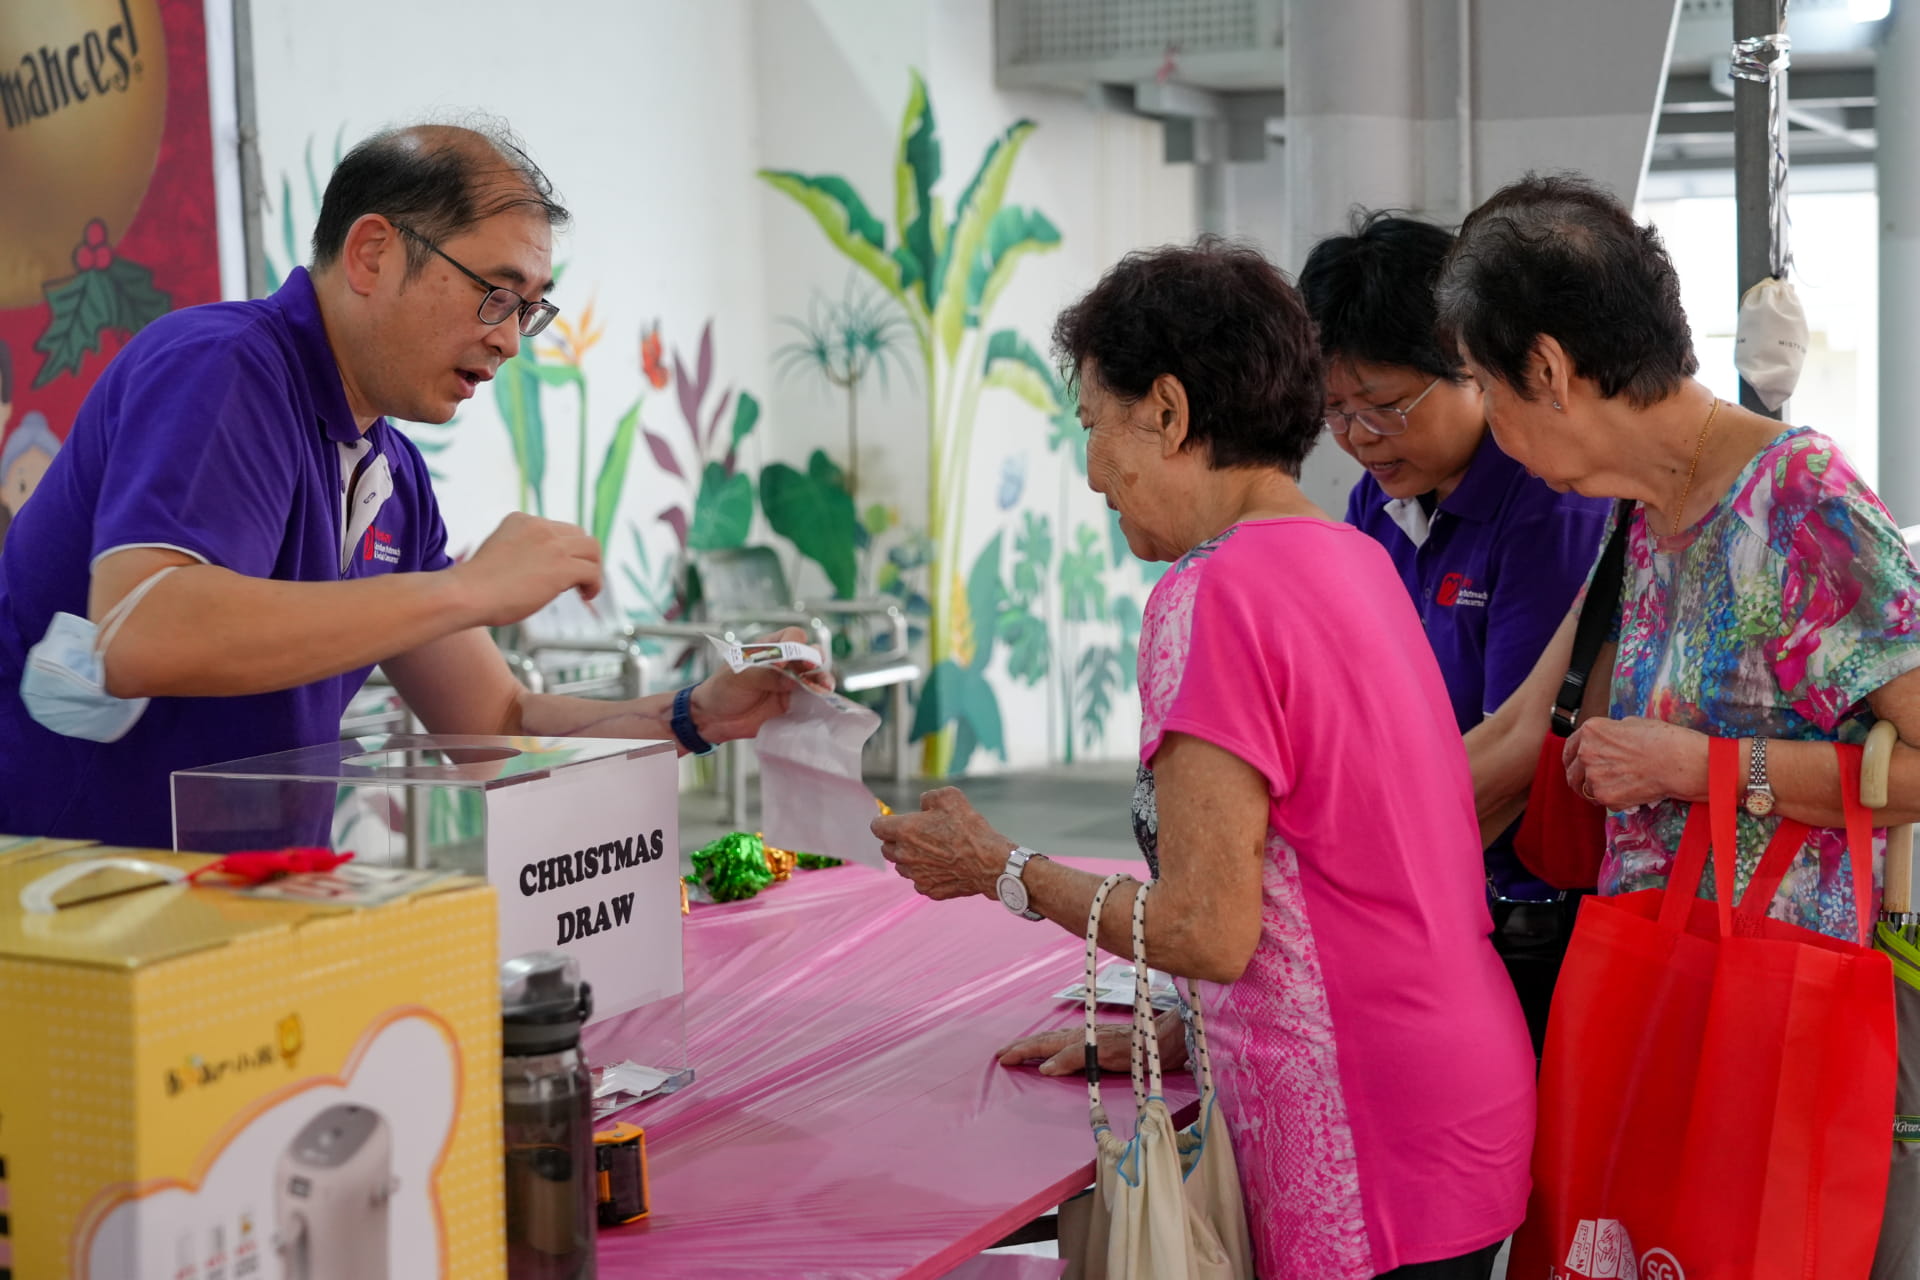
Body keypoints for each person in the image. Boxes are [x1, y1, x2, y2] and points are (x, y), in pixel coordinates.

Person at [873, 239, 1534, 1280]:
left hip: (1359, 1123)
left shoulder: (1211, 592)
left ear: (1169, 412)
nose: (1092, 470)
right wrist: (1192, 1028)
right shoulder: (1355, 557)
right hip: (1458, 1085)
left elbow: (1205, 929)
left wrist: (1001, 868)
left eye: (1092, 424)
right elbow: (1337, 869)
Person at [0, 122, 816, 848]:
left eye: (529, 309)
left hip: (236, 912)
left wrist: (698, 713)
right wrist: (468, 589)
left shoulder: (391, 474)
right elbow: (142, 634)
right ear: (372, 254)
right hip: (64, 903)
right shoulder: (223, 368)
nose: (509, 341)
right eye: (495, 293)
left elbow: (495, 726)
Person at [1443, 173, 1920, 943]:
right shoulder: (1643, 508)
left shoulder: (1798, 501)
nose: (1490, 422)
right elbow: (1522, 732)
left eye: (1486, 388)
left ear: (1548, 370)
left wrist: (1701, 769)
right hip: (1659, 970)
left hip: (1777, 989)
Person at [1299, 212, 1610, 1052]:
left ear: (1473, 369)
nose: (1359, 439)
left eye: (1384, 406)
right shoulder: (1380, 500)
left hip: (1526, 915)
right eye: (1335, 412)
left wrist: (1334, 880)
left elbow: (1519, 756)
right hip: (1424, 891)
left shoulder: (1549, 503)